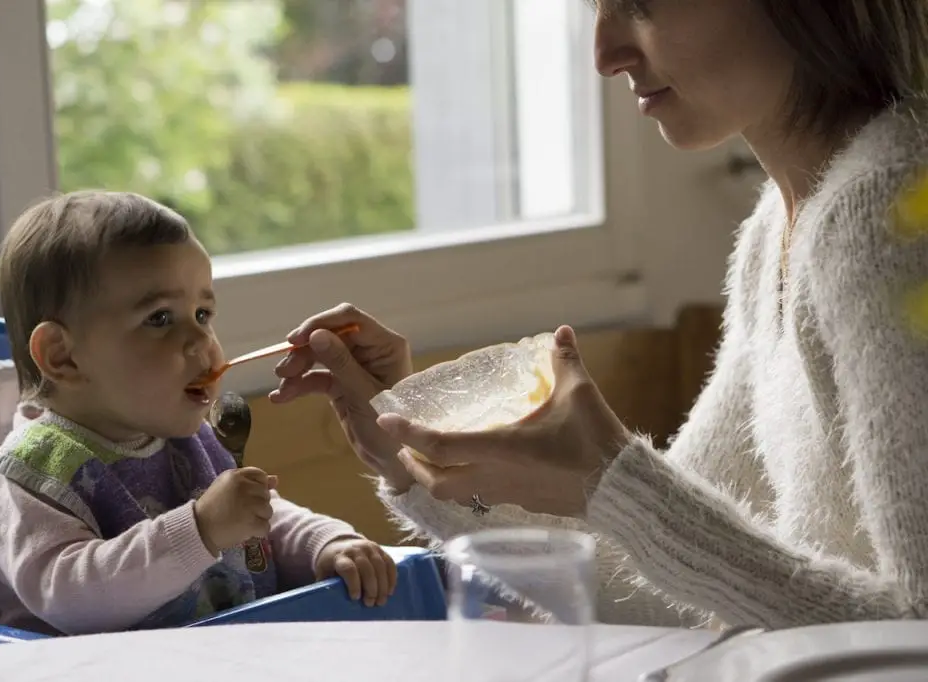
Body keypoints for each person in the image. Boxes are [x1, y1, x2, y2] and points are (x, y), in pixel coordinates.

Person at [271, 0, 928, 630]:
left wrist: (615, 479)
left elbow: (914, 628)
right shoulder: (779, 230)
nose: (604, 53)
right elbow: (669, 580)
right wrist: (405, 449)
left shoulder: (887, 217)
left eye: (641, 2)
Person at [0, 191, 396, 636]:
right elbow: (72, 597)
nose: (201, 342)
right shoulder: (23, 481)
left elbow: (257, 522)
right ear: (63, 357)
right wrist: (202, 527)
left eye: (203, 313)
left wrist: (324, 543)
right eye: (160, 319)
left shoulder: (181, 438)